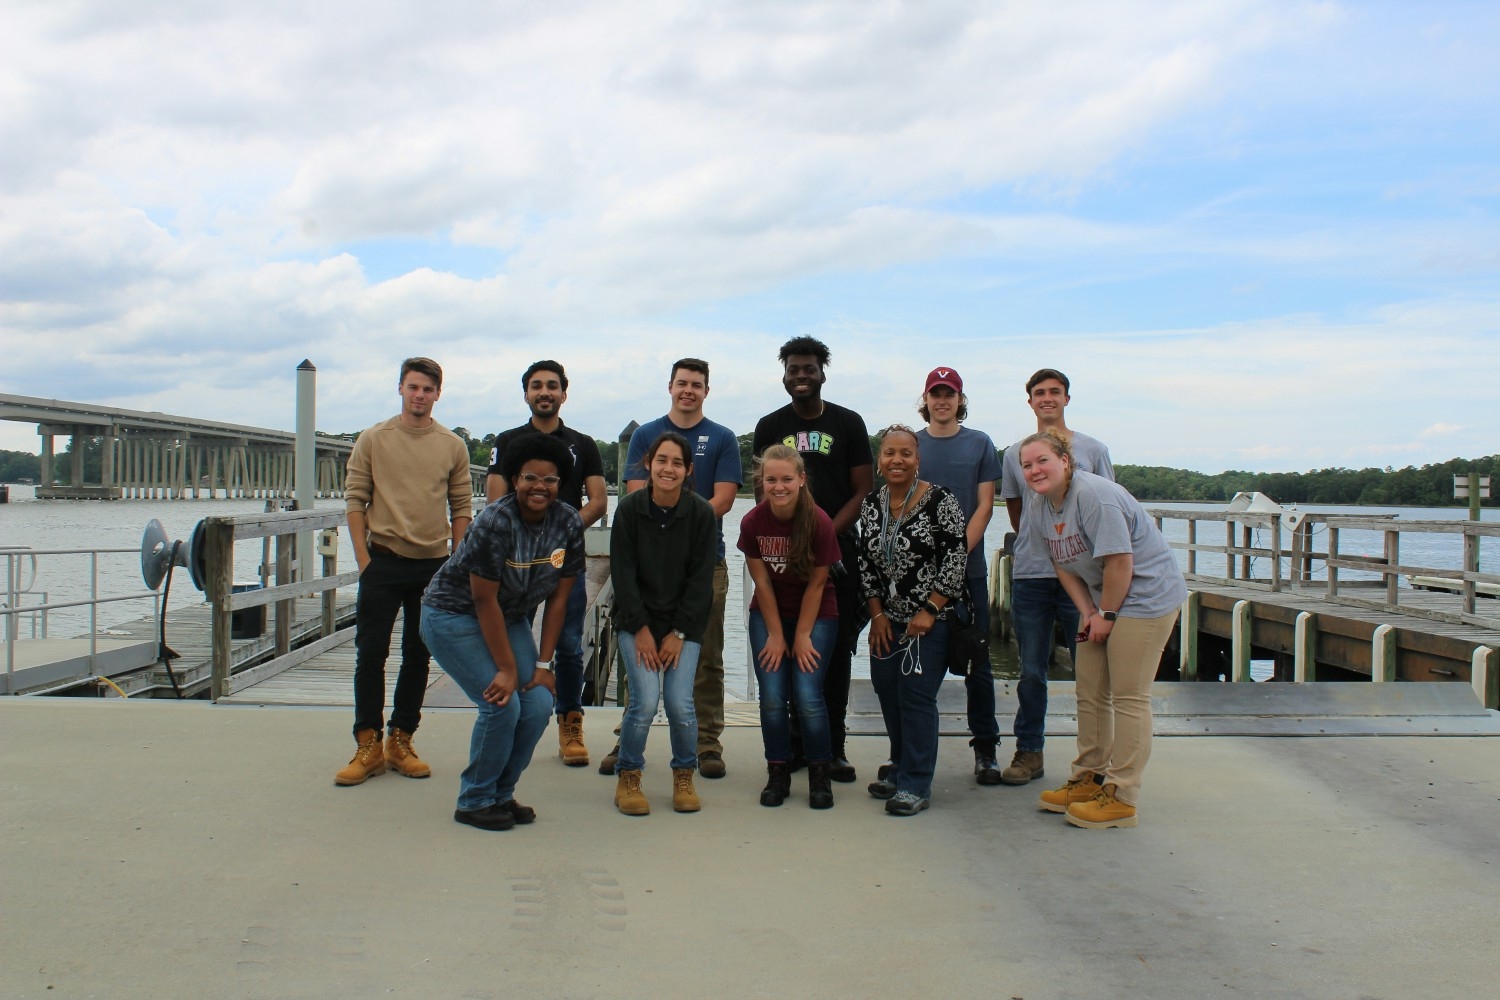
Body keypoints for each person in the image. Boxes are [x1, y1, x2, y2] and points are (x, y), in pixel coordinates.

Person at [1019, 431, 1187, 829]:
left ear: (1065, 461)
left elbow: (1120, 563)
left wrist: (1107, 616)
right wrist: (1089, 612)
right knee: (1089, 690)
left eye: (1042, 460)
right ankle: (1088, 777)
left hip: (1145, 597)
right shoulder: (1040, 504)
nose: (1034, 470)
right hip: (1102, 601)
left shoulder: (1095, 495)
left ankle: (1122, 795)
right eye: (1026, 465)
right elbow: (1061, 565)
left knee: (1129, 695)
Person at [419, 433, 584, 830]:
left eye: (549, 480)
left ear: (560, 484)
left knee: (540, 704)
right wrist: (507, 669)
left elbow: (559, 601)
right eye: (530, 478)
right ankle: (474, 799)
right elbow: (482, 600)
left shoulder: (568, 523)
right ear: (514, 480)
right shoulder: (495, 521)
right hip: (452, 615)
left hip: (508, 617)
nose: (539, 487)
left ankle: (500, 793)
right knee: (501, 701)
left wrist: (544, 665)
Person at [336, 357, 473, 786]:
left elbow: (461, 507)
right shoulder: (374, 439)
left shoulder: (452, 445)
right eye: (413, 387)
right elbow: (355, 499)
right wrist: (364, 561)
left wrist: (456, 560)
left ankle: (402, 738)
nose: (420, 396)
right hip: (383, 558)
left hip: (433, 565)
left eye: (428, 389)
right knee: (370, 654)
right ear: (400, 389)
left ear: (437, 394)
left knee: (419, 654)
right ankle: (367, 743)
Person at [752, 336, 873, 783]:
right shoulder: (769, 425)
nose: (801, 376)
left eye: (809, 369)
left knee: (834, 653)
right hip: (782, 557)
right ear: (784, 376)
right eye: (793, 370)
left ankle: (833, 747)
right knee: (784, 649)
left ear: (822, 372)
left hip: (837, 553)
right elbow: (766, 489)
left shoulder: (848, 423)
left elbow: (862, 490)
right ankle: (795, 748)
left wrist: (824, 535)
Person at [614, 359, 741, 780]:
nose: (689, 390)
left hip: (706, 562)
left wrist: (689, 523)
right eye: (682, 383)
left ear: (707, 390)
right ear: (670, 386)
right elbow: (637, 494)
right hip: (648, 566)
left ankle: (706, 743)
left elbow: (722, 498)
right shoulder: (645, 435)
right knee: (642, 650)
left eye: (697, 384)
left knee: (706, 655)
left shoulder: (722, 438)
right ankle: (629, 739)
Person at [484, 360, 606, 768]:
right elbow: (495, 501)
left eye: (552, 386)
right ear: (526, 394)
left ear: (564, 393)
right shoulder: (508, 441)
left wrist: (562, 533)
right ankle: (509, 722)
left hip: (562, 562)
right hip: (515, 563)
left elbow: (599, 501)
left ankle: (570, 722)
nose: (544, 392)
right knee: (513, 640)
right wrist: (528, 537)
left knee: (569, 645)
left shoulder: (583, 443)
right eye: (536, 386)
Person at [998, 368, 1115, 787]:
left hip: (1082, 578)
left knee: (1091, 669)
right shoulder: (1014, 453)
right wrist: (1039, 538)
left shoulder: (1094, 450)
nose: (1047, 398)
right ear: (1029, 401)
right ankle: (1029, 751)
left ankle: (1095, 761)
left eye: (1055, 392)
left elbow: (1108, 509)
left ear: (1067, 398)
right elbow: (1017, 507)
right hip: (1032, 573)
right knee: (1031, 669)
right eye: (1039, 393)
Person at [858, 425, 968, 816]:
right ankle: (900, 762)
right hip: (888, 618)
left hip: (931, 622)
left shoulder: (941, 502)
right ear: (880, 460)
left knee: (916, 698)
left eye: (906, 453)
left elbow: (957, 558)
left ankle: (915, 782)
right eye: (889, 453)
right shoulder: (872, 504)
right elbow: (866, 565)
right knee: (887, 690)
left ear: (917, 460)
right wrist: (877, 615)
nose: (897, 460)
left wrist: (930, 610)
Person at [610, 432, 718, 816]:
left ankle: (683, 774)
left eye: (676, 462)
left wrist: (679, 634)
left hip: (682, 625)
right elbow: (623, 575)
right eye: (661, 460)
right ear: (648, 465)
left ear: (688, 470)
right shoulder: (629, 510)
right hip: (636, 621)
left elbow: (700, 581)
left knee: (679, 703)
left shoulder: (701, 514)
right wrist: (639, 629)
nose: (668, 469)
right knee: (643, 702)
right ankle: (629, 774)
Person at [914, 366, 1005, 785]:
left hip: (968, 574)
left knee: (978, 664)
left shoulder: (980, 444)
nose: (942, 400)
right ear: (926, 399)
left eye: (949, 394)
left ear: (960, 400)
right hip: (918, 576)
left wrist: (954, 554)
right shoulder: (912, 446)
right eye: (936, 393)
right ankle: (909, 753)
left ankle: (985, 750)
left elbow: (985, 506)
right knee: (916, 665)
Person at [738, 445, 841, 809]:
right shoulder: (752, 523)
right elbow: (761, 583)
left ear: (801, 479)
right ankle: (777, 769)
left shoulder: (819, 522)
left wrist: (800, 636)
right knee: (771, 698)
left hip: (816, 614)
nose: (778, 486)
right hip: (769, 614)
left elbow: (817, 584)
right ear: (761, 482)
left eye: (786, 479)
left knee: (809, 697)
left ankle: (819, 771)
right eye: (770, 480)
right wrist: (778, 636)